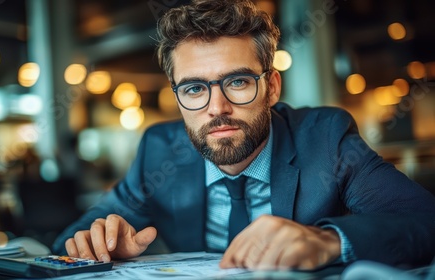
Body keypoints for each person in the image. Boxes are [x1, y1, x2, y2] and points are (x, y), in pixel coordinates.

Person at [53, 0, 435, 270]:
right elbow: (70, 240)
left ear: (271, 87)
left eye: (237, 82)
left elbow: (424, 219)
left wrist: (330, 241)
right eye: (194, 89)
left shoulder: (325, 138)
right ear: (178, 97)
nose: (216, 107)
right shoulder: (159, 150)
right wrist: (95, 241)